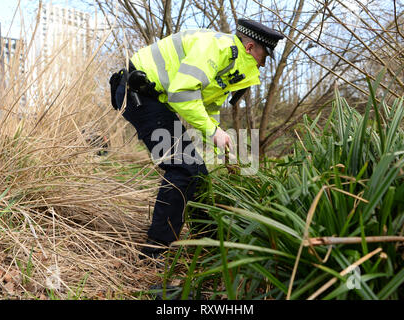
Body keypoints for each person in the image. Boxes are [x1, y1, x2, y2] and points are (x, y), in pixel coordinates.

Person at [114, 19, 283, 259]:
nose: (264, 63)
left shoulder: (231, 62)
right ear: (249, 47)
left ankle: (210, 242)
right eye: (264, 56)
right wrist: (213, 132)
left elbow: (208, 104)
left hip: (153, 99)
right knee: (183, 169)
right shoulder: (215, 50)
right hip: (137, 94)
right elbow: (181, 94)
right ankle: (155, 253)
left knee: (198, 173)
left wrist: (216, 137)